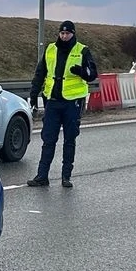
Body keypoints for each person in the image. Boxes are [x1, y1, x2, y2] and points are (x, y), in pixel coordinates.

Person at [27, 20, 98, 189]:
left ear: (73, 34)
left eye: (67, 33)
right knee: (48, 140)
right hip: (53, 101)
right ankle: (42, 176)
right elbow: (40, 73)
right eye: (62, 33)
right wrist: (33, 94)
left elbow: (92, 73)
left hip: (72, 103)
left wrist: (80, 71)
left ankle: (66, 176)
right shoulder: (51, 49)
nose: (64, 36)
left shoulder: (82, 50)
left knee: (69, 140)